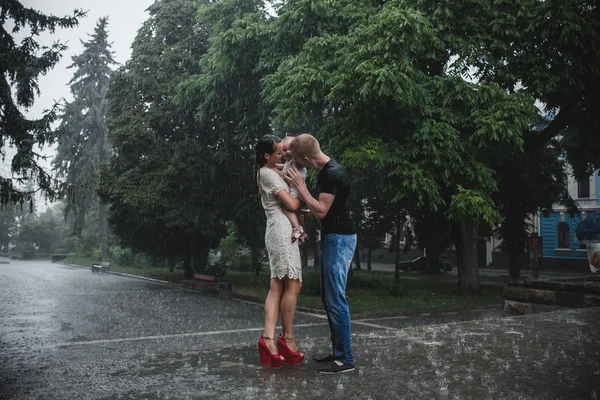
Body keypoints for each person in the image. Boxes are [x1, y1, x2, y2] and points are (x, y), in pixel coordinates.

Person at [284, 133, 357, 374]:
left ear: (306, 158)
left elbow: (322, 210)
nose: (294, 163)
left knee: (336, 298)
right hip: (332, 238)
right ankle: (337, 353)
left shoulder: (331, 173)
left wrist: (301, 188)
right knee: (329, 298)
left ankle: (345, 359)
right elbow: (319, 208)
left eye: (295, 159)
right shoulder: (325, 172)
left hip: (339, 239)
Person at [253, 134, 305, 367]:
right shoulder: (266, 173)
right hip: (280, 230)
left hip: (280, 229)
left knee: (278, 285)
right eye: (277, 152)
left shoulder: (274, 170)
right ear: (266, 155)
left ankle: (271, 340)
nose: (281, 154)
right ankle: (285, 339)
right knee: (292, 284)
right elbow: (292, 204)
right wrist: (301, 189)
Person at [276, 135, 309, 243]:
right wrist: (275, 165)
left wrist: (276, 172)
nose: (288, 152)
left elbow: (288, 172)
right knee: (298, 215)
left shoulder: (296, 162)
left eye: (290, 149)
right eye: (284, 150)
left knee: (286, 209)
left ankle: (297, 228)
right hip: (296, 191)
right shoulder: (288, 162)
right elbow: (284, 166)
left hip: (297, 192)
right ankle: (303, 232)